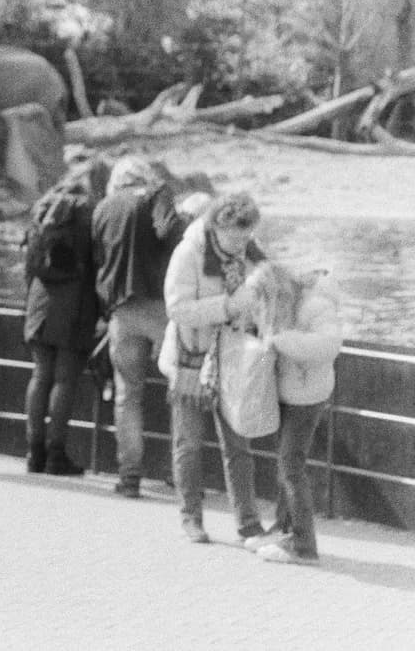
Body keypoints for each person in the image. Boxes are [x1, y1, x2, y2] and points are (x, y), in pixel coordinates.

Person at [159, 193, 268, 544]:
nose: (241, 245)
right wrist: (228, 306)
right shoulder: (189, 253)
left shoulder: (252, 253)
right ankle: (191, 517)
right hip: (191, 358)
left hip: (234, 360)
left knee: (239, 446)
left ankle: (248, 523)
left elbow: (265, 297)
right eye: (234, 238)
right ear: (216, 226)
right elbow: (177, 309)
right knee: (189, 443)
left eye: (246, 236)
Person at [91, 155, 186, 498]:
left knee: (127, 396)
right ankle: (181, 476)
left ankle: (129, 477)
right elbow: (174, 240)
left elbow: (98, 260)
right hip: (161, 309)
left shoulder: (102, 209)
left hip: (122, 312)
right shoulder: (153, 200)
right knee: (179, 390)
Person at [245, 261, 343, 564]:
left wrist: (280, 340)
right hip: (289, 393)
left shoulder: (315, 305)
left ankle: (304, 545)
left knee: (291, 467)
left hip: (307, 396)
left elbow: (328, 346)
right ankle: (284, 529)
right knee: (285, 465)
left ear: (274, 293)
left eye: (262, 299)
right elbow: (265, 354)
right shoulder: (279, 309)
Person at [20, 163, 106, 476]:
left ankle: (34, 453)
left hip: (39, 301)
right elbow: (100, 264)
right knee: (64, 379)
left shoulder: (43, 207)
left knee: (40, 375)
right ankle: (56, 455)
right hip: (75, 304)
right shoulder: (90, 211)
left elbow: (29, 261)